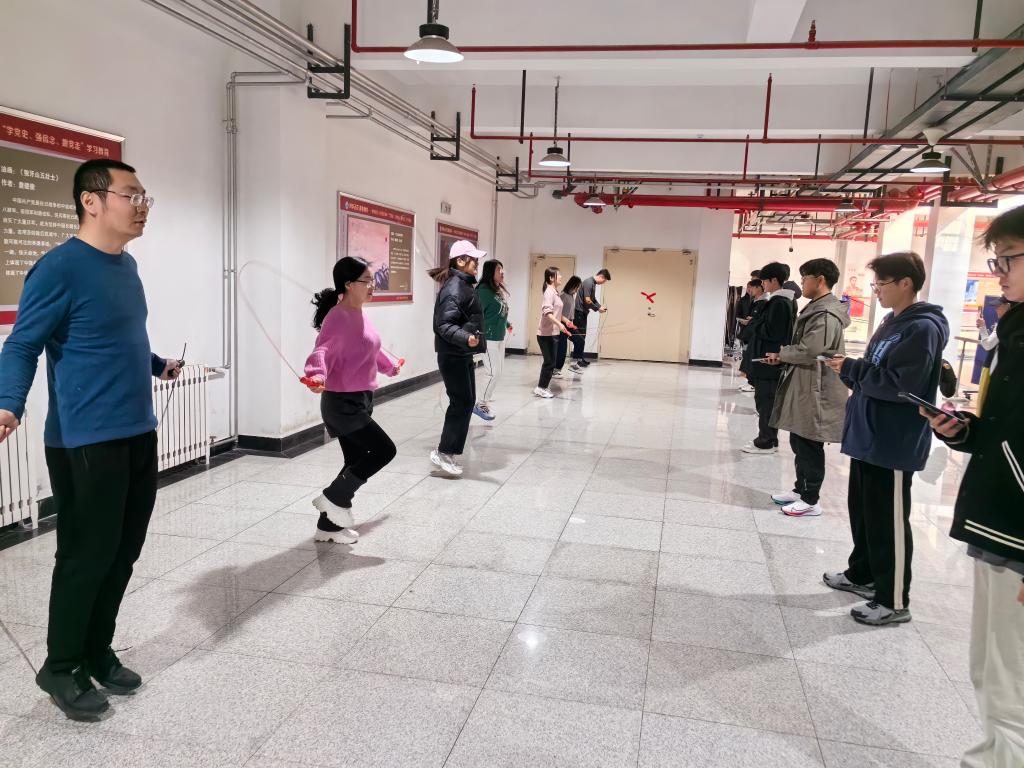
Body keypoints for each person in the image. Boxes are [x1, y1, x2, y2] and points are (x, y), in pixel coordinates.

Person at [0, 159, 179, 720]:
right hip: (84, 440)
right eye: (131, 195)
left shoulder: (127, 266)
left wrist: (156, 363)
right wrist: (8, 403)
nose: (142, 206)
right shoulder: (59, 267)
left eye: (145, 196)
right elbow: (23, 343)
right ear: (91, 200)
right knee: (86, 555)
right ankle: (60, 664)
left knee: (123, 550)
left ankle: (97, 649)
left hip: (137, 431)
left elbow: (117, 334)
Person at [923, 207, 1024, 768]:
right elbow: (1011, 431)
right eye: (996, 260)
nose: (998, 273)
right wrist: (964, 432)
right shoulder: (1016, 332)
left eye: (1007, 259)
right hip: (999, 522)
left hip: (1017, 531)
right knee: (990, 668)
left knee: (1012, 684)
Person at [822, 251, 949, 626]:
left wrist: (854, 367)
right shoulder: (892, 322)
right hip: (868, 434)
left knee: (888, 522)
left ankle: (893, 599)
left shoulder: (921, 328)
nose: (875, 290)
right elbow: (875, 371)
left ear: (905, 283)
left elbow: (902, 386)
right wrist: (848, 370)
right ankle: (863, 573)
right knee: (864, 514)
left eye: (881, 283)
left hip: (892, 441)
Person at [304, 256, 401, 544]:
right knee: (384, 450)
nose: (372, 286)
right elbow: (322, 350)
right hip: (342, 403)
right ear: (348, 284)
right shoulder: (338, 316)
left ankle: (328, 527)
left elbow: (368, 347)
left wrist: (389, 366)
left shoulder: (358, 313)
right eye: (366, 281)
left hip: (360, 398)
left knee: (355, 460)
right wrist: (316, 375)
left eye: (372, 281)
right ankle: (332, 497)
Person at [766, 259, 850, 517]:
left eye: (805, 278)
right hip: (807, 382)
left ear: (820, 279)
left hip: (817, 387)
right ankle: (800, 490)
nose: (801, 283)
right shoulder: (817, 307)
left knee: (809, 443)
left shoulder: (825, 314)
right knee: (799, 438)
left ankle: (811, 499)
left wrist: (783, 353)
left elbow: (811, 350)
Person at [428, 240, 486, 476]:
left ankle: (447, 451)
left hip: (460, 352)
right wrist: (465, 337)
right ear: (460, 261)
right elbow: (443, 324)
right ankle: (444, 452)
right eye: (473, 260)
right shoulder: (455, 287)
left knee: (466, 401)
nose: (477, 264)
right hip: (453, 354)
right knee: (461, 402)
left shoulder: (463, 285)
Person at [742, 263, 796, 454]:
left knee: (766, 401)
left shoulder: (779, 302)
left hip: (769, 360)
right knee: (767, 401)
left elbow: (772, 331)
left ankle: (765, 442)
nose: (763, 284)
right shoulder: (778, 301)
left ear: (774, 280)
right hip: (768, 359)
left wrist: (754, 323)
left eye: (764, 281)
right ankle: (770, 438)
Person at [474, 259, 512, 421]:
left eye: (502, 269)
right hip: (488, 337)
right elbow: (476, 315)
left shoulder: (496, 290)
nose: (502, 272)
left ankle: (484, 401)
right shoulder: (483, 291)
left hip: (499, 336)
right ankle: (480, 404)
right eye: (498, 269)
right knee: (492, 373)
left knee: (498, 372)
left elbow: (498, 311)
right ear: (490, 272)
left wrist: (507, 324)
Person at [535, 266, 570, 398]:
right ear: (551, 278)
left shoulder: (555, 292)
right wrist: (560, 324)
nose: (561, 277)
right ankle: (541, 388)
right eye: (558, 275)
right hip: (546, 334)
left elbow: (556, 312)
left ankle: (543, 387)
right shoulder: (548, 292)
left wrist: (566, 321)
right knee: (549, 362)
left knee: (551, 362)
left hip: (553, 333)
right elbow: (548, 313)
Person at [571, 268, 610, 368]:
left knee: (582, 337)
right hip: (579, 313)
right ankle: (577, 359)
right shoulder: (589, 282)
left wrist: (600, 306)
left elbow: (593, 299)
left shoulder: (592, 283)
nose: (603, 283)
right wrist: (597, 309)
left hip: (583, 313)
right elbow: (587, 300)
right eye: (604, 281)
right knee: (579, 337)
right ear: (601, 277)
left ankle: (580, 358)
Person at [736, 279, 764, 393]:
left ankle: (752, 383)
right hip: (749, 334)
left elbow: (761, 320)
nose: (749, 290)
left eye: (751, 287)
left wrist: (751, 321)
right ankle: (749, 381)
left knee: (752, 358)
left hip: (755, 335)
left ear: (758, 287)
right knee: (747, 355)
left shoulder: (765, 302)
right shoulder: (752, 301)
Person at [555, 275, 582, 377]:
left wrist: (572, 323)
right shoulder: (563, 295)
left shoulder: (571, 296)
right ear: (572, 285)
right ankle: (556, 370)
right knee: (562, 348)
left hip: (569, 323)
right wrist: (565, 322)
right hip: (562, 324)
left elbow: (570, 312)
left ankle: (574, 364)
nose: (577, 290)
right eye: (577, 287)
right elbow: (557, 312)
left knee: (580, 340)